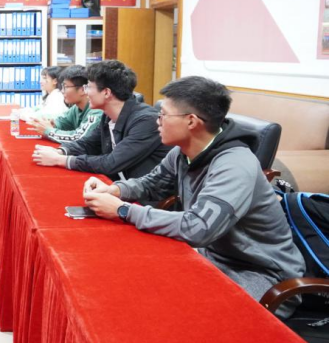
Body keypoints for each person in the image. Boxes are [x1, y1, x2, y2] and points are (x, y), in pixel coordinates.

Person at [82, 76, 305, 318]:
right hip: (212, 257)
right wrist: (115, 190)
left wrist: (123, 210)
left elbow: (198, 228)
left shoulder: (235, 165)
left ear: (191, 121)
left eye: (163, 115)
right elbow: (152, 183)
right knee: (132, 280)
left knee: (169, 311)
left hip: (261, 274)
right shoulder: (183, 152)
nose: (157, 121)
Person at [32, 60, 171, 185]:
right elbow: (88, 143)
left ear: (106, 93)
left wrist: (60, 160)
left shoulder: (146, 121)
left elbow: (111, 163)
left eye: (89, 87)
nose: (86, 93)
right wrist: (60, 151)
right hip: (117, 187)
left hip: (143, 198)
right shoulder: (108, 116)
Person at [27, 65, 102, 143]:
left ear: (83, 89)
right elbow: (64, 123)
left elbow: (80, 138)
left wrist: (49, 131)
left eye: (66, 87)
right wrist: (53, 124)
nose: (62, 91)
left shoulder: (96, 110)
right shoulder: (76, 108)